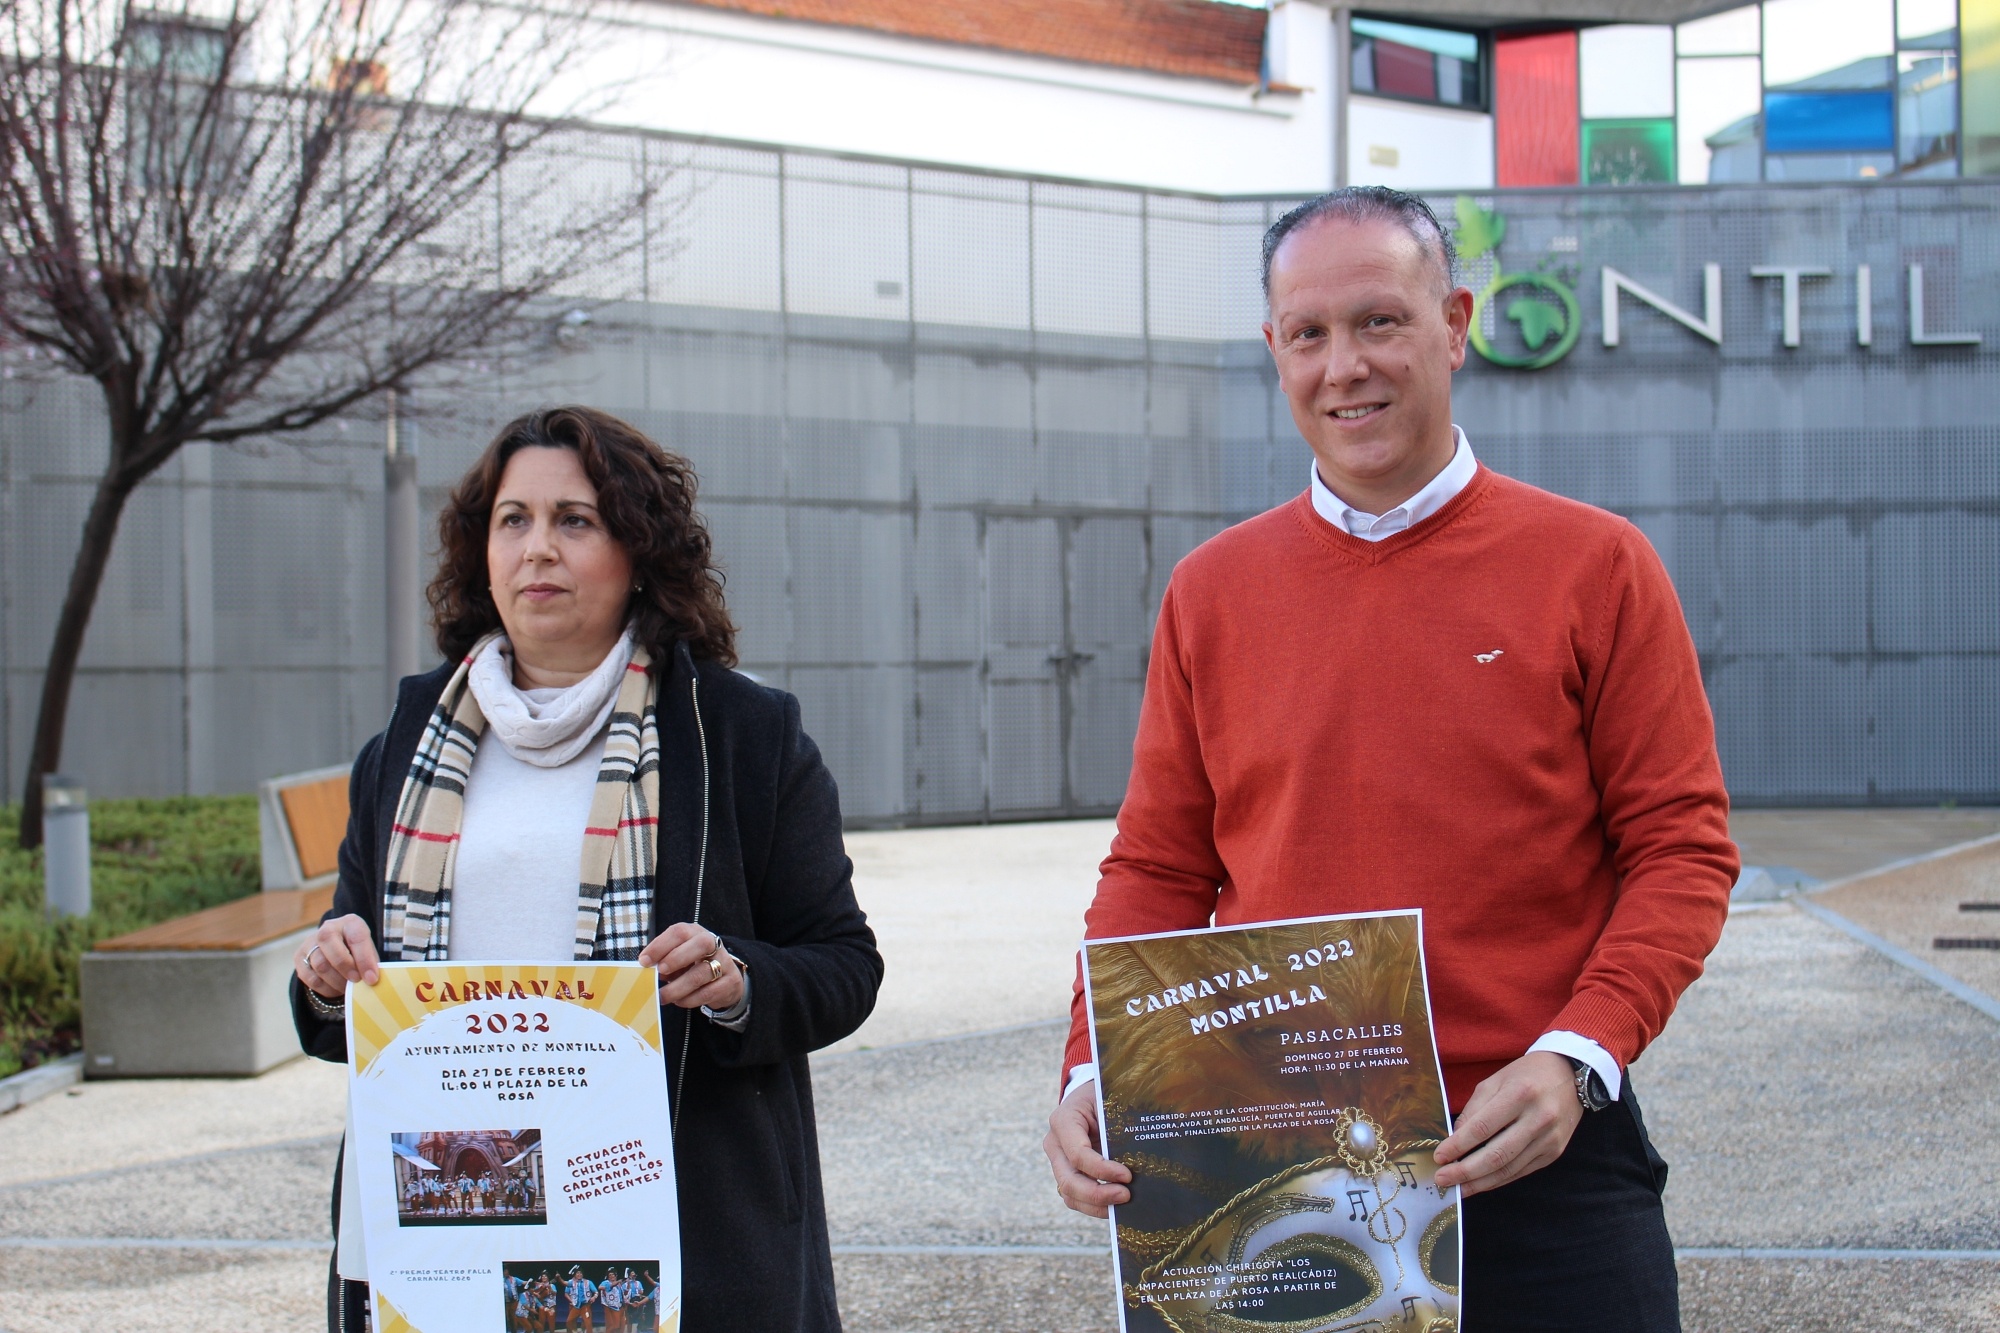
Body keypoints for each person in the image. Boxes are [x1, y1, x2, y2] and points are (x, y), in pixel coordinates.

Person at [1042, 187, 1738, 1331]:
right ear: (1274, 351)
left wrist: (1578, 1051)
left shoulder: (1594, 565)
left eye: (1379, 322)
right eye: (1307, 335)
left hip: (1535, 1150)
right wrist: (1094, 1068)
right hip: (1281, 1166)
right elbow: (1160, 867)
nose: (1343, 367)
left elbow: (1681, 850)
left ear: (1454, 323)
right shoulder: (1212, 592)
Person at [293, 406, 883, 1333]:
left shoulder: (741, 737)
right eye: (513, 519)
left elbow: (845, 965)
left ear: (640, 549)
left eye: (575, 519)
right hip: (448, 1231)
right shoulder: (405, 747)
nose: (538, 548)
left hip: (676, 1220)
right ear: (480, 551)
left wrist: (734, 980)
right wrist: (330, 976)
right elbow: (349, 1005)